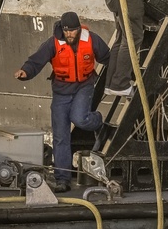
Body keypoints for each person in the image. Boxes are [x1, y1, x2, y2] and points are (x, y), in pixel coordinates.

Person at [14, 12, 110, 193]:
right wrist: (25, 72)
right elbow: (36, 61)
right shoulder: (53, 43)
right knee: (60, 136)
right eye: (67, 31)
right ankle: (63, 179)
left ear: (79, 28)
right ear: (62, 29)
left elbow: (108, 57)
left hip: (84, 86)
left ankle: (97, 120)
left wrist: (120, 74)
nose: (70, 35)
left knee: (80, 118)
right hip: (61, 91)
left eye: (73, 31)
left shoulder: (91, 40)